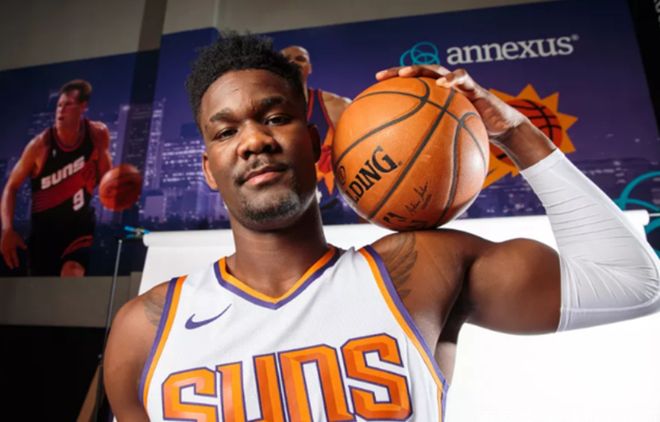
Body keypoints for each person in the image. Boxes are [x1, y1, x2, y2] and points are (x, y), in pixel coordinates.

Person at [103, 33, 659, 421]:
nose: (253, 140)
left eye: (275, 117)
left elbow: (635, 283)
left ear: (316, 142)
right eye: (226, 132)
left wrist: (512, 131)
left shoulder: (422, 269)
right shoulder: (144, 329)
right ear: (208, 169)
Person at [0, 79, 111, 276]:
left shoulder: (97, 134)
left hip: (80, 229)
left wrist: (113, 186)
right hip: (44, 235)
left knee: (72, 271)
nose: (61, 109)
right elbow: (11, 186)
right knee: (45, 288)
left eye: (68, 104)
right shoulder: (40, 146)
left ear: (83, 107)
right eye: (59, 105)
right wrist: (7, 229)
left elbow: (106, 180)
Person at [281, 44, 358, 224]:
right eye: (286, 59)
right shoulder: (261, 111)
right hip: (283, 213)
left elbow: (365, 151)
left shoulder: (336, 106)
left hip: (332, 211)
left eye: (300, 59)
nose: (293, 62)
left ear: (309, 67)